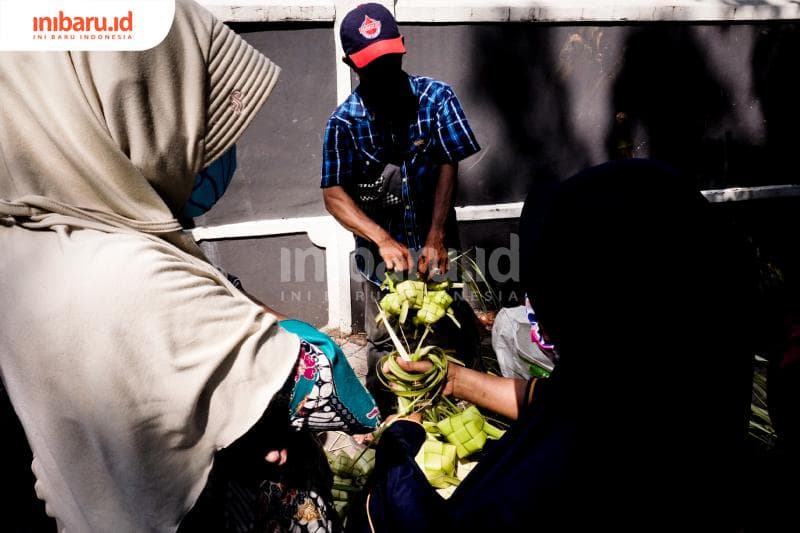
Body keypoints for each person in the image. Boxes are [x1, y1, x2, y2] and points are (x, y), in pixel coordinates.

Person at [0, 1, 378, 531]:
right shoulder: (123, 273)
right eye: (192, 114)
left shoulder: (32, 242)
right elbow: (317, 388)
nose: (212, 147)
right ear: (134, 109)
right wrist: (340, 367)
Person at [351, 159, 760, 531]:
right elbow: (562, 404)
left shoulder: (567, 473)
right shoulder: (678, 373)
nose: (536, 311)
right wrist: (454, 380)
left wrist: (398, 454)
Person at [321, 3, 482, 415]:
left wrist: (436, 235)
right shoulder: (343, 123)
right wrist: (382, 239)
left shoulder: (436, 97)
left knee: (451, 324)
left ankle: (468, 407)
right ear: (350, 64)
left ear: (403, 46)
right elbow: (334, 194)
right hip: (380, 256)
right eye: (372, 66)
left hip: (438, 241)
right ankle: (392, 421)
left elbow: (449, 160)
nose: (384, 72)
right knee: (385, 339)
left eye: (391, 59)